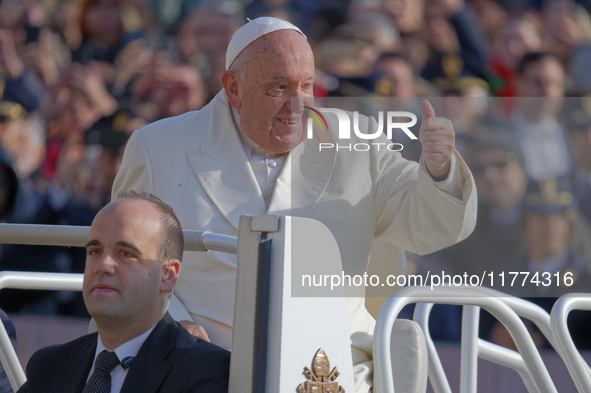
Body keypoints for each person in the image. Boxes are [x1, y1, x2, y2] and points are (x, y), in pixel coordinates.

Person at [112, 17, 477, 392]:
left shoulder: (361, 146)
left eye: (307, 85)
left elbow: (433, 225)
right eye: (279, 87)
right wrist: (172, 328)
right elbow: (121, 260)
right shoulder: (159, 148)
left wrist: (439, 171)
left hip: (332, 375)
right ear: (233, 88)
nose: (297, 105)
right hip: (200, 372)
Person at [16, 191, 230, 393]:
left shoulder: (205, 371)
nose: (103, 265)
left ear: (168, 275)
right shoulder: (50, 366)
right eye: (95, 251)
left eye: (126, 253)